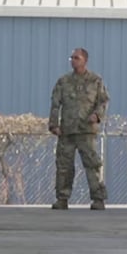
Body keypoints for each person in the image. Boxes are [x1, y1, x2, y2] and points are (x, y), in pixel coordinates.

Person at [48, 48, 110, 210]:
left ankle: (98, 199)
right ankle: (62, 198)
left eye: (77, 58)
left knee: (92, 165)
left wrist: (97, 115)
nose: (73, 61)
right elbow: (55, 103)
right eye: (72, 58)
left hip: (86, 130)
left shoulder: (95, 81)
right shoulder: (63, 81)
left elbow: (103, 101)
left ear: (85, 60)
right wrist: (54, 124)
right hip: (67, 131)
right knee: (63, 166)